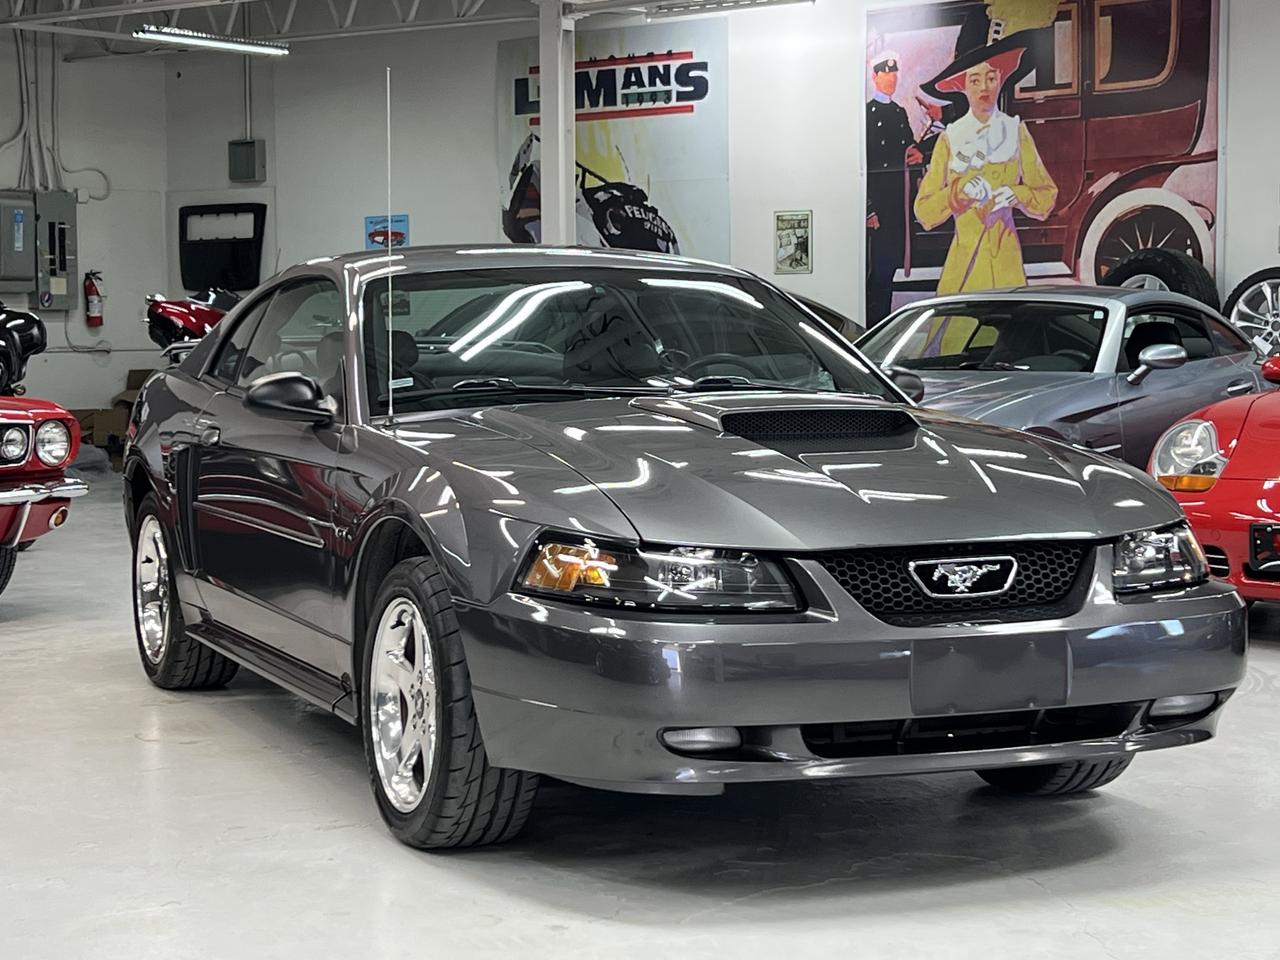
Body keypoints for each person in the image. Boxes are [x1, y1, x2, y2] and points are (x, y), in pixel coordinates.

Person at [913, 38, 1057, 294]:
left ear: (1001, 80)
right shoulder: (950, 137)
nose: (984, 88)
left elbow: (1046, 196)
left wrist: (1017, 194)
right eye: (975, 80)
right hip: (963, 266)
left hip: (1007, 265)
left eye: (991, 78)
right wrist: (959, 192)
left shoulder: (1016, 130)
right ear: (962, 86)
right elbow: (924, 211)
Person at [865, 51, 926, 327]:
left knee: (887, 268)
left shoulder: (899, 113)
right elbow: (861, 164)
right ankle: (872, 323)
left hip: (896, 206)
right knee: (875, 271)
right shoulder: (866, 114)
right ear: (874, 76)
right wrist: (868, 209)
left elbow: (909, 148)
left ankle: (881, 321)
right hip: (877, 207)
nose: (892, 78)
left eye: (894, 73)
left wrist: (916, 155)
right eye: (885, 73)